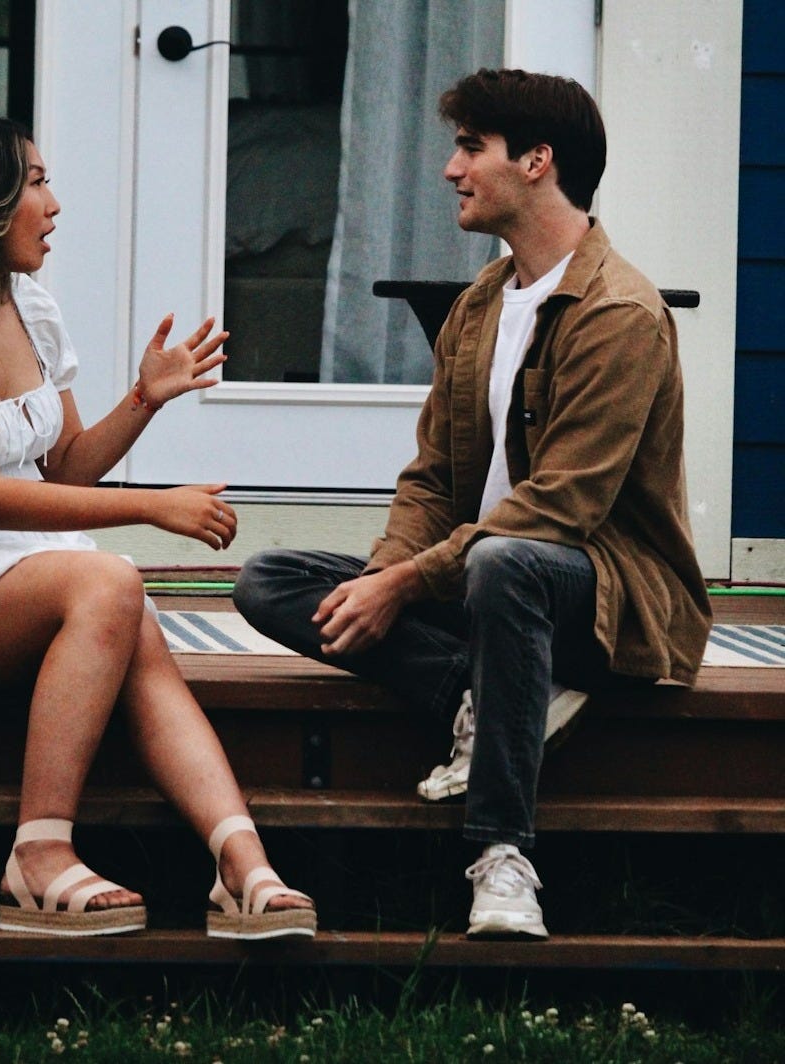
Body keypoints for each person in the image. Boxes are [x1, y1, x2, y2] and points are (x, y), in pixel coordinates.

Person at [234, 68, 711, 939]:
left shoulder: (619, 313)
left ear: (536, 161)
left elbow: (561, 508)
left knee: (505, 559)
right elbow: (431, 480)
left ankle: (502, 856)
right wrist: (383, 578)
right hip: (487, 588)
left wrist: (406, 584)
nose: (452, 170)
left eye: (469, 148)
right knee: (270, 580)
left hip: (608, 600)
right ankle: (485, 692)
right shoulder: (481, 306)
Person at [0, 113, 315, 940]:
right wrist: (152, 504)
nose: (54, 205)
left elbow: (66, 470)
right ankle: (39, 854)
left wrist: (144, 399)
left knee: (132, 622)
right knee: (109, 581)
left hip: (19, 564)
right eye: (37, 183)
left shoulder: (30, 309)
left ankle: (243, 864)